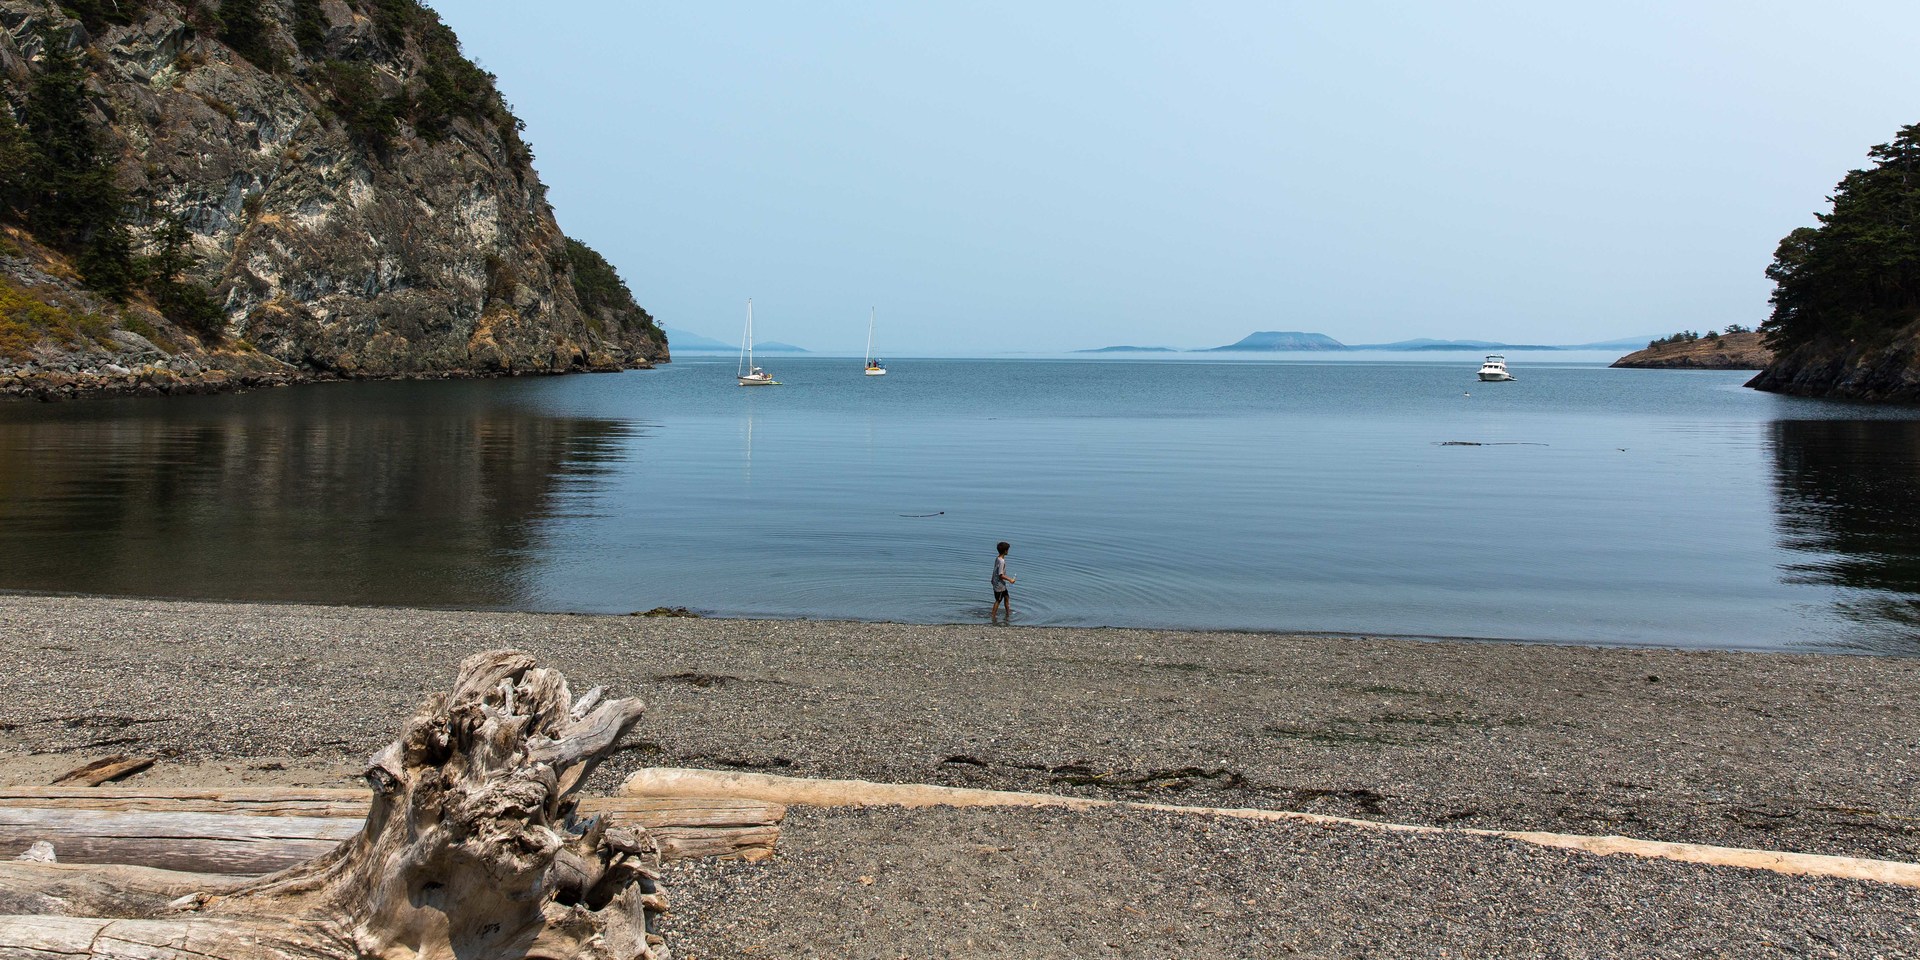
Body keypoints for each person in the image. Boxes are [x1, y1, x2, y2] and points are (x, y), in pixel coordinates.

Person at [990, 541, 1015, 619]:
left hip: (999, 583)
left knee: (1007, 597)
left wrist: (992, 579)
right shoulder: (1002, 561)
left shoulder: (997, 558)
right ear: (1005, 551)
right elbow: (1001, 575)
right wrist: (1010, 579)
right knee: (998, 600)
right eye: (1007, 550)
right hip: (999, 585)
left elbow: (994, 570)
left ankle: (1008, 613)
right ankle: (993, 616)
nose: (1008, 551)